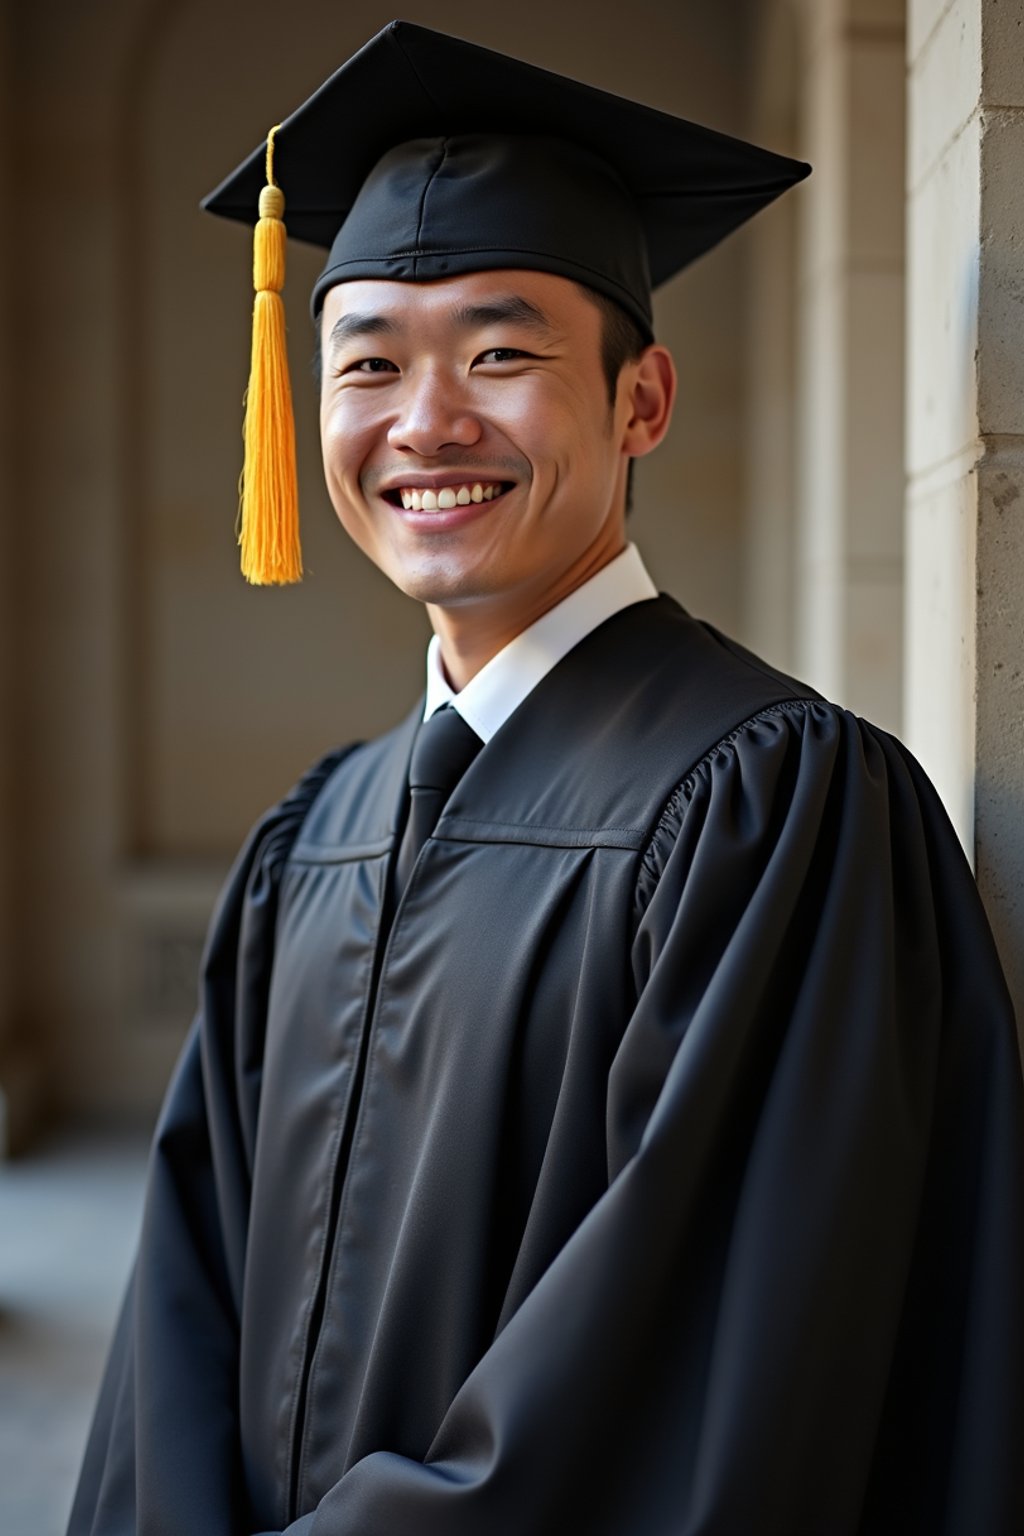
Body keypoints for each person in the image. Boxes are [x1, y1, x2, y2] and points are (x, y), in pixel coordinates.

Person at [68, 21, 1024, 1536]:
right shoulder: (311, 836)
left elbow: (698, 1390)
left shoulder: (780, 814)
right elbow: (176, 1328)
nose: (424, 422)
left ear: (642, 402)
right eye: (367, 362)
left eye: (501, 354)